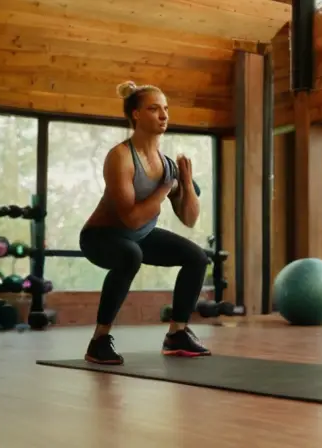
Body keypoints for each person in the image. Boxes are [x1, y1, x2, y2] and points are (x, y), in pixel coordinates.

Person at [79, 81, 211, 365]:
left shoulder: (167, 165)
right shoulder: (120, 157)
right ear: (136, 114)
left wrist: (187, 184)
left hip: (139, 236)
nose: (163, 115)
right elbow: (131, 218)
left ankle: (177, 334)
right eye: (154, 109)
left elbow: (189, 219)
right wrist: (166, 188)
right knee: (131, 255)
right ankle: (98, 341)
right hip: (101, 237)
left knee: (197, 258)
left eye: (166, 109)